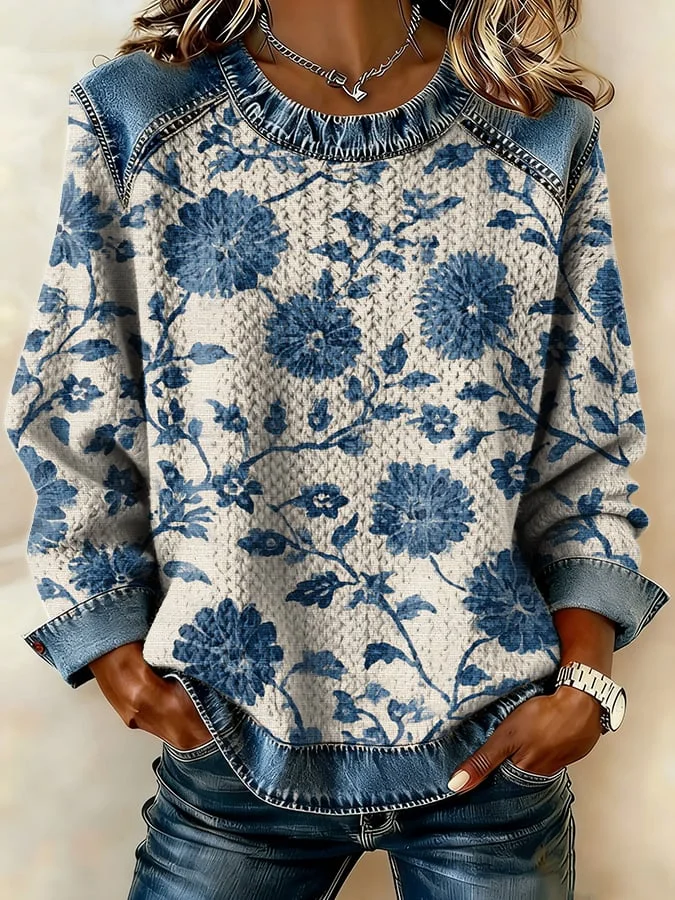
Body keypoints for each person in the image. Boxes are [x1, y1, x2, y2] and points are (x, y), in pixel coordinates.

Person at [5, 0, 670, 897]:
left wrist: (585, 689)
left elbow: (584, 446)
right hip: (228, 744)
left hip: (493, 754)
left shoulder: (535, 133)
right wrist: (114, 655)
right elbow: (77, 400)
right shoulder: (139, 116)